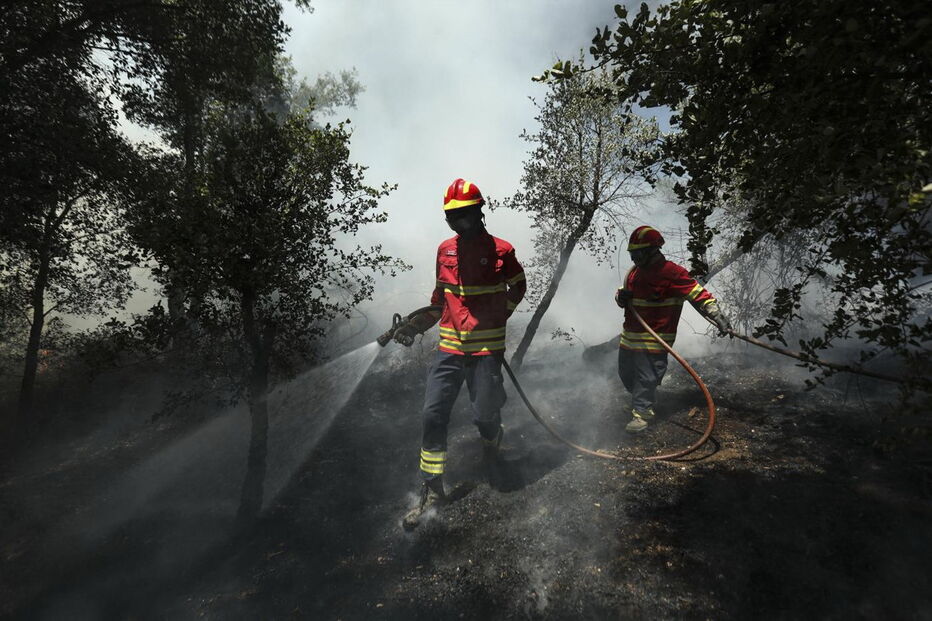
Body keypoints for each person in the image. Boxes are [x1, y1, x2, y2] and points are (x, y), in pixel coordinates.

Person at [396, 178, 526, 530]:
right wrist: (416, 326)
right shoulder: (444, 251)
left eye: (463, 216)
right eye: (451, 218)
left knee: (484, 412)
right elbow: (440, 300)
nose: (458, 223)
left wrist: (505, 312)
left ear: (478, 213)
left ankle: (491, 441)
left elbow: (520, 285)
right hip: (449, 350)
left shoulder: (502, 251)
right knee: (432, 414)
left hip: (485, 349)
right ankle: (433, 489)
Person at [615, 225, 731, 433]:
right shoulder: (634, 274)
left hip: (654, 339)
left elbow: (698, 294)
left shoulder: (672, 273)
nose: (634, 258)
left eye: (638, 253)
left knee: (646, 378)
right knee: (626, 375)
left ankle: (642, 415)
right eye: (632, 254)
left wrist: (716, 314)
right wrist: (620, 297)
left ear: (652, 250)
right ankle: (640, 400)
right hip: (629, 338)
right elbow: (623, 294)